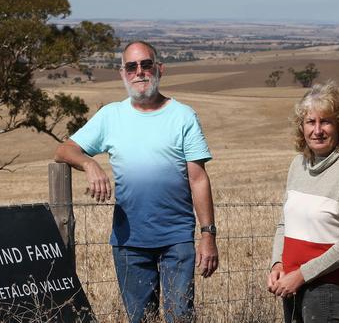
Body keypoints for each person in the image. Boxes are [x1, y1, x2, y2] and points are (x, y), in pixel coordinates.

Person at [54, 41, 219, 322]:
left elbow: (198, 178)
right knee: (140, 319)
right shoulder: (110, 116)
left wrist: (208, 235)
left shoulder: (183, 116)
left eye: (146, 64)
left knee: (180, 317)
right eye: (131, 66)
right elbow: (63, 150)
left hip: (176, 240)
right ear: (123, 74)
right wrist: (90, 163)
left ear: (159, 69)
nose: (139, 72)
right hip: (129, 242)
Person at [267, 81, 339, 322]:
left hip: (328, 289)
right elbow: (284, 224)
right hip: (290, 284)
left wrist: (301, 275)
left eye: (326, 121)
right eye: (310, 122)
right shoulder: (298, 165)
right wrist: (277, 264)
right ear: (301, 127)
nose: (317, 130)